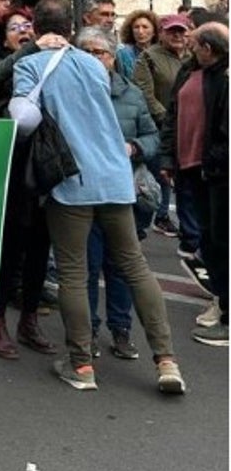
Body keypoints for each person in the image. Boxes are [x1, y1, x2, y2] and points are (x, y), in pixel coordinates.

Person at [13, 0, 186, 395]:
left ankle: (82, 365)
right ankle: (166, 360)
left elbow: (23, 120)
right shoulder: (93, 62)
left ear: (35, 28)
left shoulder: (31, 64)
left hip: (72, 179)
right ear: (71, 26)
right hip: (114, 175)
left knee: (74, 271)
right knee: (134, 265)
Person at [75, 27, 159, 360]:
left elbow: (153, 136)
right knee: (88, 266)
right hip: (82, 194)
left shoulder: (131, 94)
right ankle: (89, 331)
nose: (96, 59)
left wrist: (134, 146)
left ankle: (121, 330)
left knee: (122, 266)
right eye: (89, 53)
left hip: (123, 193)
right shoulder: (71, 93)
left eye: (102, 53)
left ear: (112, 57)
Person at [0, 7, 58, 358]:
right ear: (3, 37)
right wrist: (32, 47)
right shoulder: (0, 62)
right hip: (11, 161)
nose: (23, 32)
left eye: (28, 26)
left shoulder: (51, 60)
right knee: (10, 244)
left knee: (41, 242)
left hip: (46, 160)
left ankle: (29, 319)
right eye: (15, 28)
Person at [159, 22, 229, 347]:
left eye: (195, 43)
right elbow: (174, 113)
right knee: (209, 238)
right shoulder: (190, 72)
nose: (189, 46)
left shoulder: (225, 78)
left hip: (214, 172)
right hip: (191, 167)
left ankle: (227, 313)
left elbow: (224, 132)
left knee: (220, 238)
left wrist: (213, 163)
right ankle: (220, 297)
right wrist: (168, 157)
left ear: (208, 48)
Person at [133, 13, 197, 247]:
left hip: (191, 129)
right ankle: (147, 222)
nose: (178, 35)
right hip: (161, 129)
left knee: (188, 182)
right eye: (172, 31)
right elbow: (144, 93)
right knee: (162, 176)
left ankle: (190, 233)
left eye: (181, 31)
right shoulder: (149, 58)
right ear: (162, 33)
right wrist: (168, 118)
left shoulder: (195, 57)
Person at [116, 10, 158, 80]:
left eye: (145, 27)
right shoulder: (123, 53)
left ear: (154, 32)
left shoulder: (160, 53)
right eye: (136, 27)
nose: (140, 31)